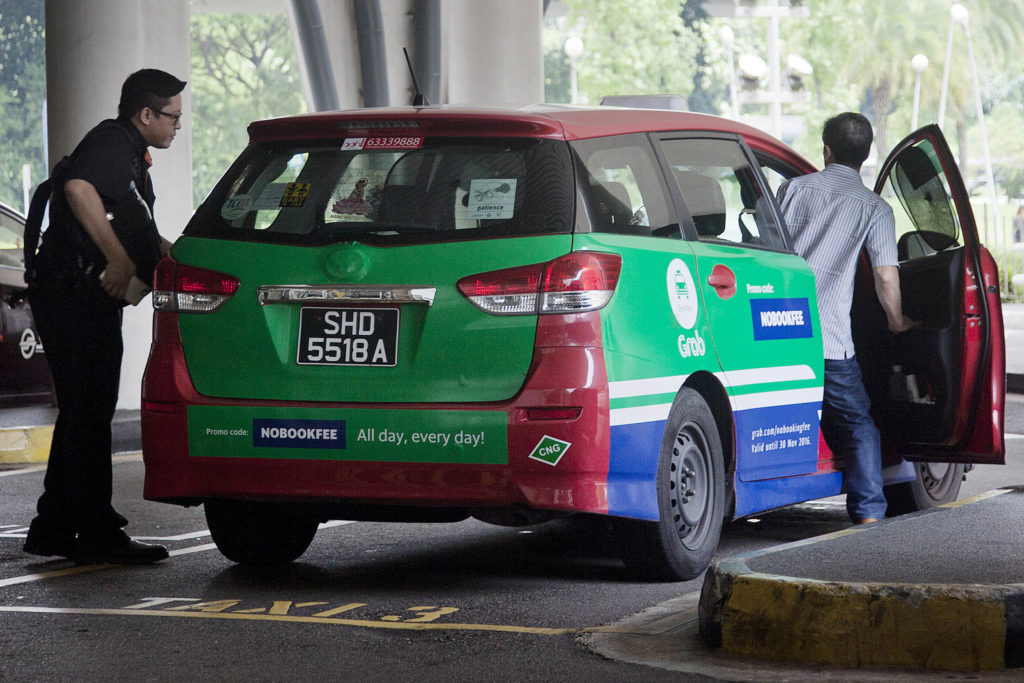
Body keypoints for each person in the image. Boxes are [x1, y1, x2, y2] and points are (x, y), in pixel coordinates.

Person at [23, 69, 185, 564]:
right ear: (145, 114)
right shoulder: (112, 141)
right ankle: (96, 533)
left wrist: (169, 254)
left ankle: (53, 524)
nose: (178, 125)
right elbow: (77, 189)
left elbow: (136, 221)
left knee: (81, 409)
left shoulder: (129, 153)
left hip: (78, 298)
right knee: (91, 410)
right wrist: (117, 260)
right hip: (74, 296)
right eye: (173, 117)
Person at [777, 112, 916, 525]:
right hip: (830, 339)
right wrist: (897, 321)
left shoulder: (791, 189)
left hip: (776, 332)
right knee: (858, 424)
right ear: (868, 153)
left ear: (826, 149)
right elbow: (885, 277)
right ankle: (869, 514)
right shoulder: (875, 208)